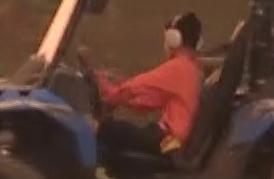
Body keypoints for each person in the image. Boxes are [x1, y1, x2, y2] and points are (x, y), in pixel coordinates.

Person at [87, 11, 204, 160]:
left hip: (169, 141)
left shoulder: (178, 67)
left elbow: (136, 87)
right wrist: (119, 94)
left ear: (174, 39)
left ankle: (95, 178)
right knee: (120, 131)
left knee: (106, 130)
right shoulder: (192, 68)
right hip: (173, 141)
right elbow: (148, 100)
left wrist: (107, 91)